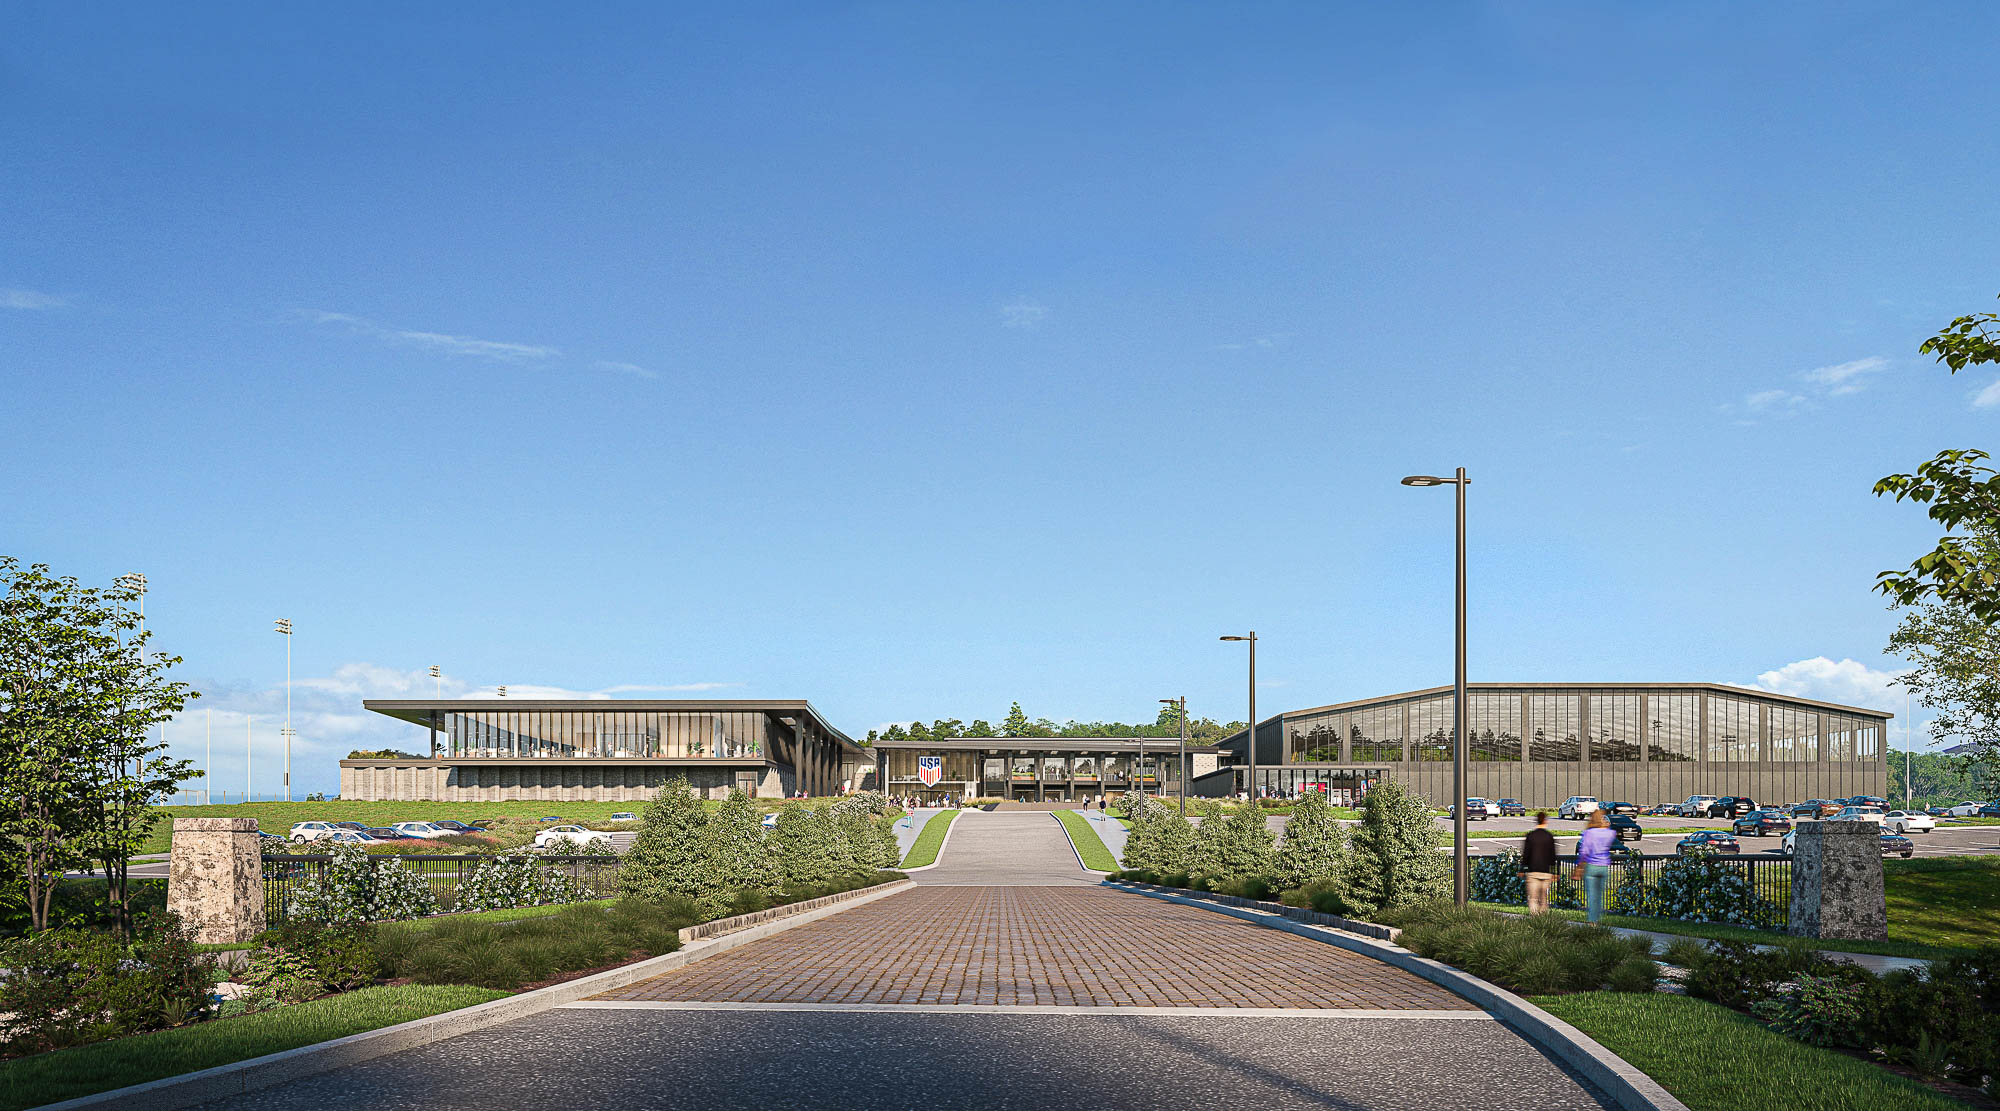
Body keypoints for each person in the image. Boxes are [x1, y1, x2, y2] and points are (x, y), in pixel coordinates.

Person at [1576, 809, 1616, 923]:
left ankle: (1592, 921)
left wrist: (1579, 867)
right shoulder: (1610, 833)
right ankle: (1597, 918)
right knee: (1599, 896)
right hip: (1604, 866)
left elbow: (1584, 852)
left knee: (1592, 895)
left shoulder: (1589, 833)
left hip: (1591, 866)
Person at [1520, 812, 1558, 915]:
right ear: (1545, 821)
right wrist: (1554, 872)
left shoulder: (1531, 836)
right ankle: (1543, 919)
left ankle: (1534, 919)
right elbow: (1553, 856)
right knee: (1544, 899)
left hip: (1533, 872)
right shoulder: (1549, 836)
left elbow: (1526, 854)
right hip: (1546, 872)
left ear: (1537, 820)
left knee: (1533, 898)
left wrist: (1522, 869)